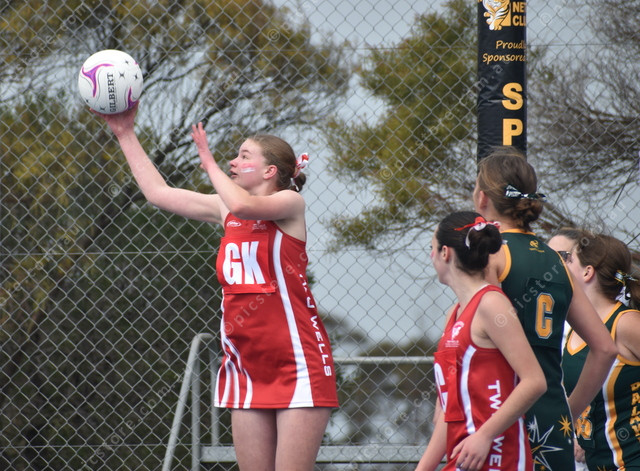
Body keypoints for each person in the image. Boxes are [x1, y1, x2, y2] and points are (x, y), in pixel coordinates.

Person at [94, 105, 338, 471]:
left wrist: (207, 161)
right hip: (246, 364)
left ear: (270, 171)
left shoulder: (289, 204)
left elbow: (244, 204)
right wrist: (124, 133)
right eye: (235, 156)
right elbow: (158, 193)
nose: (234, 161)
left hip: (297, 361)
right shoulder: (225, 209)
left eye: (244, 156)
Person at [472, 146, 618, 471]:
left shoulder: (491, 256)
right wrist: (569, 409)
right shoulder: (558, 262)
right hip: (552, 420)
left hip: (501, 415)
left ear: (482, 198)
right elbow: (606, 348)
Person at [416, 211, 547, 471]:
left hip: (500, 456)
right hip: (464, 456)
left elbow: (534, 381)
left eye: (432, 248)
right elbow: (449, 412)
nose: (430, 256)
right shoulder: (454, 315)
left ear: (445, 253)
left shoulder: (491, 304)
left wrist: (485, 435)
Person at [549, 228, 640, 471]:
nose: (559, 266)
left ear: (587, 272)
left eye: (568, 259)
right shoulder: (575, 328)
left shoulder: (627, 323)